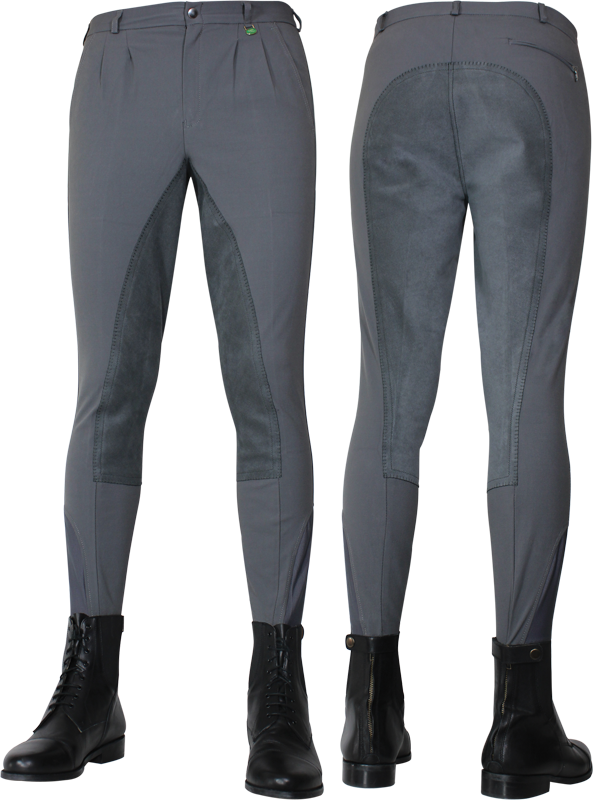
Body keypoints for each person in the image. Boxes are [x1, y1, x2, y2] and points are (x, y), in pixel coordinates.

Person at [1, 2, 323, 797]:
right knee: (108, 382)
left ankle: (277, 697)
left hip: (256, 49)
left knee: (268, 384)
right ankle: (89, 688)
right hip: (123, 53)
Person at [339, 0, 592, 796]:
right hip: (527, 51)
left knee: (387, 396)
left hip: (398, 55)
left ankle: (369, 714)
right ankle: (518, 721)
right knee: (523, 387)